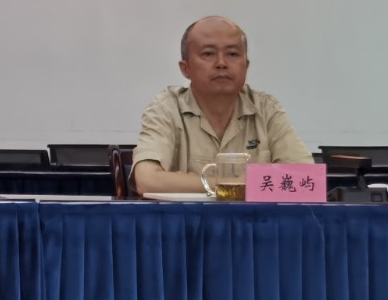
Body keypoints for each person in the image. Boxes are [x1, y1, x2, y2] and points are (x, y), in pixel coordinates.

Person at [131, 15, 312, 197]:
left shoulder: (266, 108)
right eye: (208, 54)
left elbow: (307, 180)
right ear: (185, 68)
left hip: (254, 216)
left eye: (232, 54)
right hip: (187, 216)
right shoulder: (167, 107)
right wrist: (230, 185)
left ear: (246, 65)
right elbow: (147, 180)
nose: (221, 63)